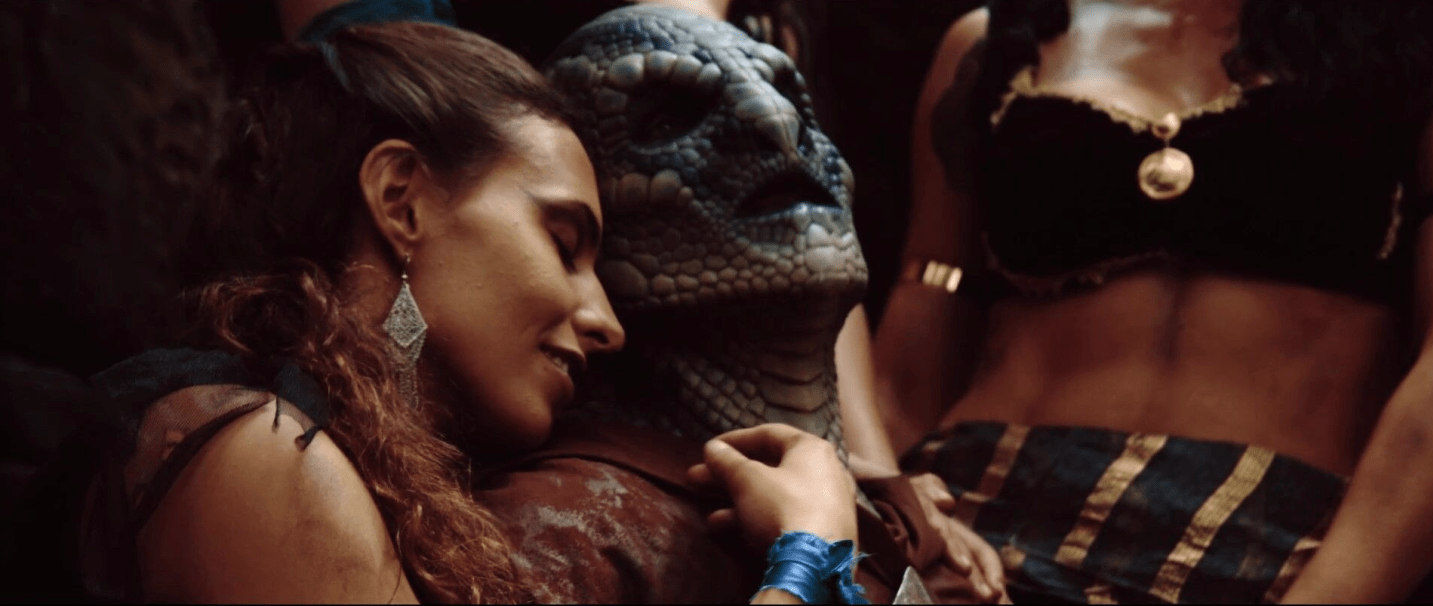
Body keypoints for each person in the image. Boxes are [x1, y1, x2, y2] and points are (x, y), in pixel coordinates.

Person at [17, 20, 864, 603]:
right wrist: (806, 558)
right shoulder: (252, 449)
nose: (606, 321)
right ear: (402, 201)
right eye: (564, 243)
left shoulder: (367, 474)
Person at [868, 0, 1433, 602]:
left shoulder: (1414, 43)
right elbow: (904, 372)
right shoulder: (993, 42)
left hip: (1268, 545)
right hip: (975, 523)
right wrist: (895, 525)